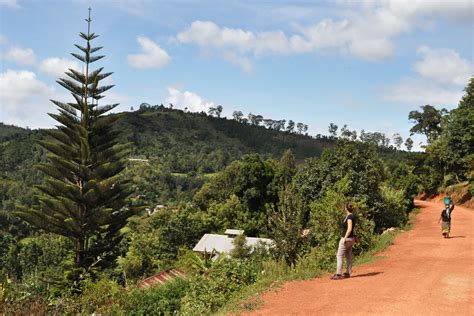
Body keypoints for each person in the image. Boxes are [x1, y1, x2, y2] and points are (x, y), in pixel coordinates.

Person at [331, 202, 356, 280]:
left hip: (346, 239)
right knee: (348, 255)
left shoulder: (349, 217)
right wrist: (355, 236)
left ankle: (338, 274)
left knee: (339, 255)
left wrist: (345, 237)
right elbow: (354, 228)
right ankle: (347, 272)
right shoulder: (352, 216)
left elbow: (349, 228)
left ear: (346, 208)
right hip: (351, 239)